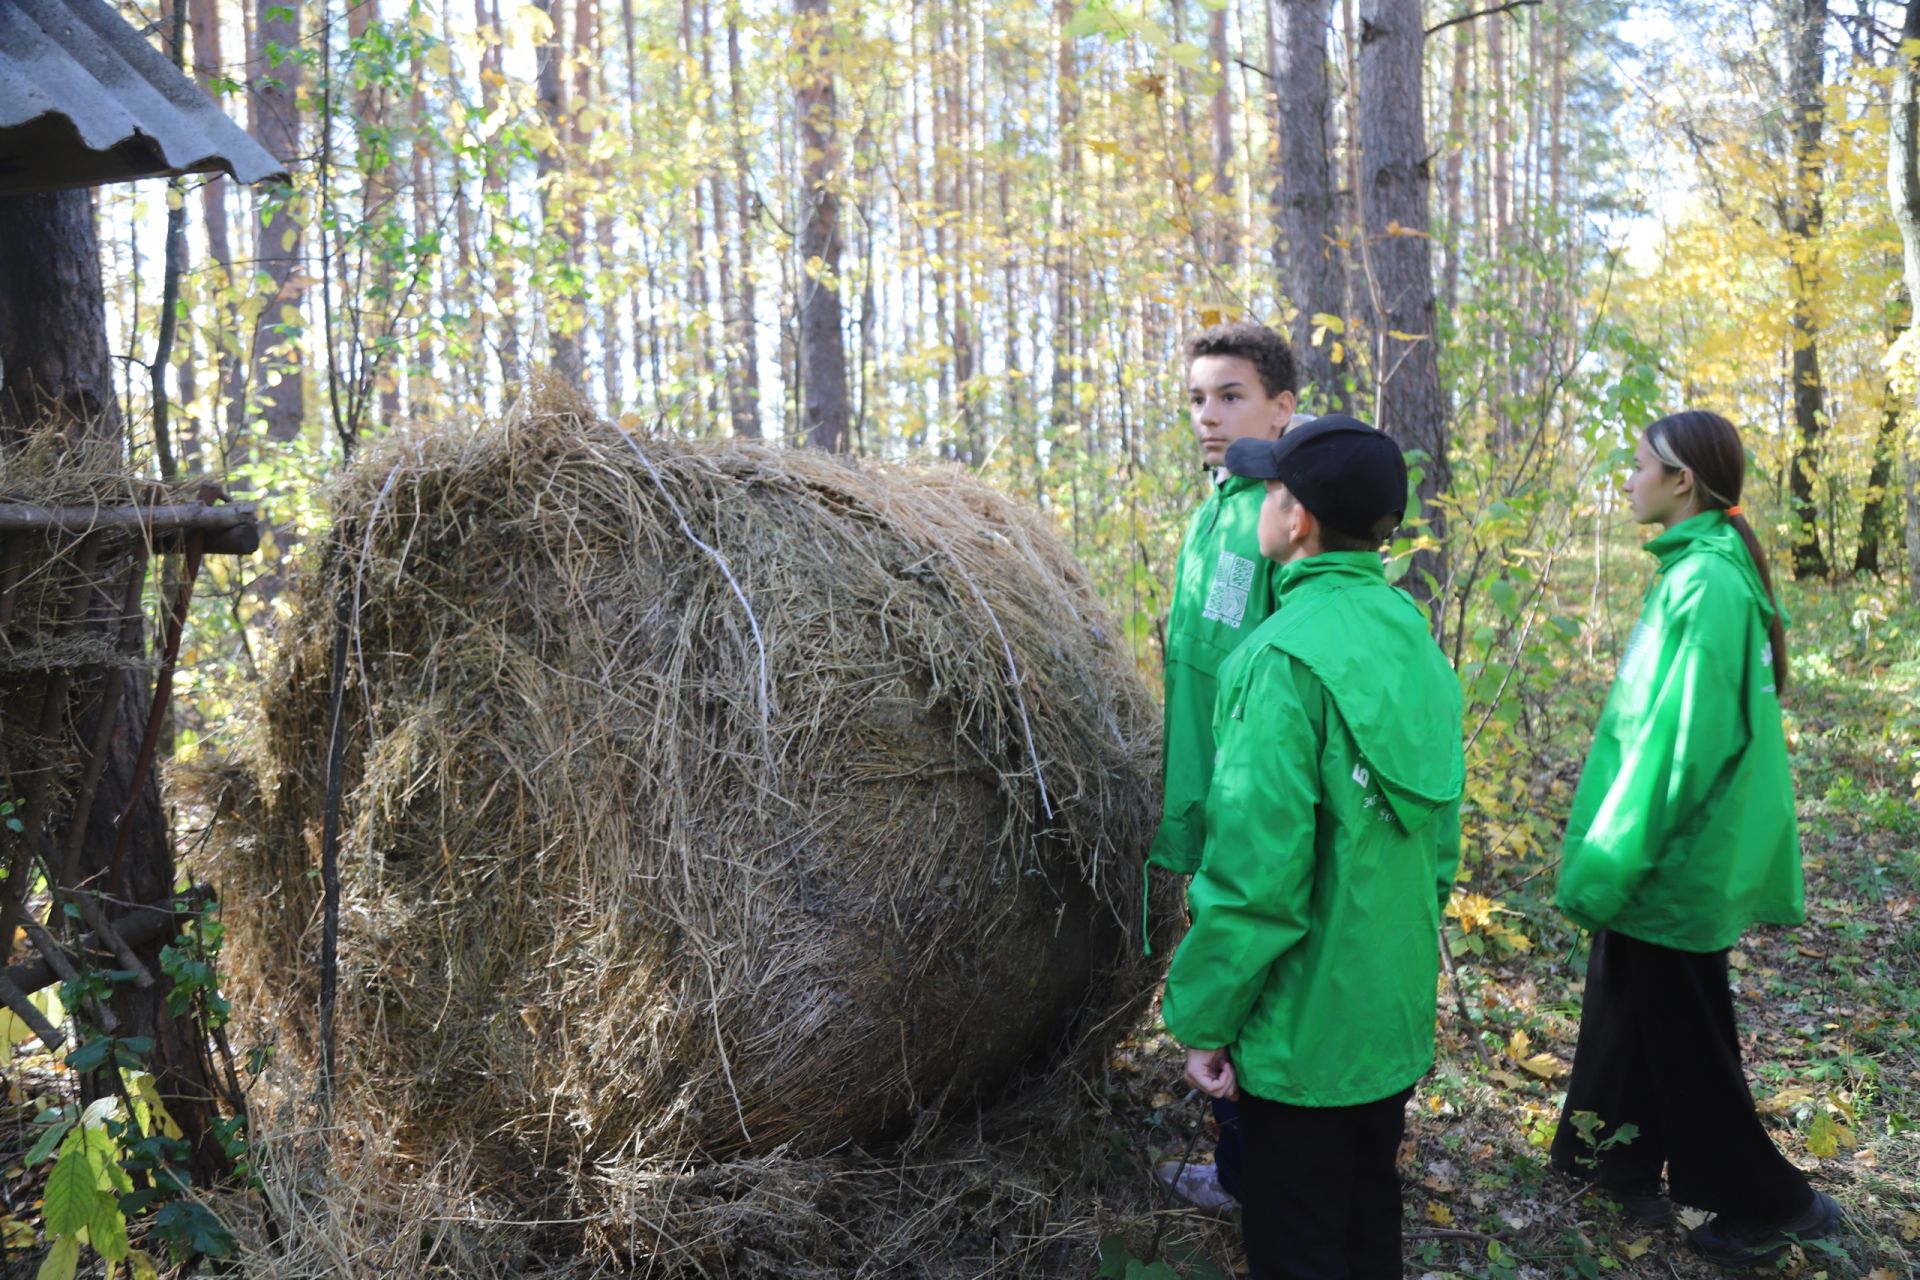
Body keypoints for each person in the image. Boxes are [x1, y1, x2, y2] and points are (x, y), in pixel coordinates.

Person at [1162, 416, 1464, 1280]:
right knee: (1369, 1217)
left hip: (1301, 1037)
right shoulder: (1412, 638)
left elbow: (1256, 878)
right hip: (1387, 1016)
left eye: (1269, 488)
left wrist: (1205, 1020)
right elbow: (1437, 845)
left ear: (1296, 520)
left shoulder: (1277, 660)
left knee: (1296, 1241)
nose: (1257, 498)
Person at [1550, 410, 1841, 1267]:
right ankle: (1605, 1157)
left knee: (1686, 1038)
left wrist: (1609, 865)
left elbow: (1676, 751)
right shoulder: (1694, 570)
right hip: (1670, 850)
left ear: (1682, 483)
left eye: (1640, 466)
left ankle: (1774, 1202)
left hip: (1674, 856)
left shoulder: (1706, 585)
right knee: (1625, 1000)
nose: (1628, 479)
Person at [1147, 321, 1299, 1211]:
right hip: (1211, 791)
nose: (1209, 416)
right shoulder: (1219, 506)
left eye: (1230, 395)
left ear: (1282, 406)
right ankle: (1247, 1167)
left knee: (1256, 986)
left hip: (1254, 796)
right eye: (1198, 399)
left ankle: (1262, 1181)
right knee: (1233, 976)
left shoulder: (1284, 510)